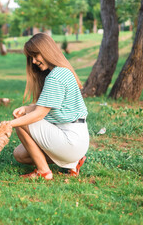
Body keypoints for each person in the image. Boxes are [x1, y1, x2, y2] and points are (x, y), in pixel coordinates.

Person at [9, 33, 89, 180]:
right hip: (79, 140)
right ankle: (73, 162)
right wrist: (27, 108)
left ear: (46, 50)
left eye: (35, 56)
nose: (33, 61)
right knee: (20, 155)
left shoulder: (55, 77)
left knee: (21, 120)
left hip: (69, 139)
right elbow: (51, 106)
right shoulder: (63, 71)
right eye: (30, 58)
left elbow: (39, 114)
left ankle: (44, 172)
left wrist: (7, 125)